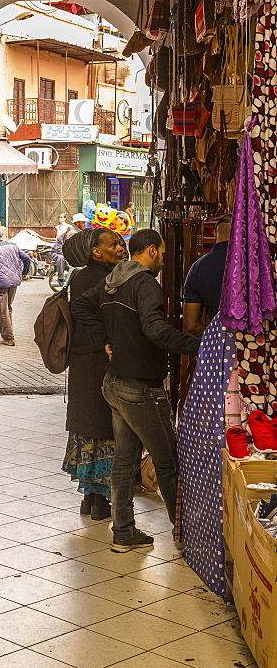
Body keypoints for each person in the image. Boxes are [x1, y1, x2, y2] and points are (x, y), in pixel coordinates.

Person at [71, 228, 200, 553]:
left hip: (114, 383)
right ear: (153, 251)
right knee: (168, 460)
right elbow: (155, 330)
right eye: (163, 253)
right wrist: (201, 347)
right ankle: (185, 537)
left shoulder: (116, 278)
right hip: (139, 387)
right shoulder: (144, 284)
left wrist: (107, 339)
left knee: (125, 461)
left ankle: (124, 531)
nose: (163, 259)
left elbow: (82, 307)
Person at [60, 227, 127, 521]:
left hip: (86, 365)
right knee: (104, 430)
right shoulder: (99, 277)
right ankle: (100, 503)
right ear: (96, 252)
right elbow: (83, 311)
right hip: (97, 365)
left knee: (92, 431)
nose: (121, 247)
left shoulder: (83, 276)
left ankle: (91, 500)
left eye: (121, 242)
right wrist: (107, 340)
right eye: (113, 244)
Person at [183, 214, 231, 334]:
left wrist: (213, 338)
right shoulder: (255, 264)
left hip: (218, 343)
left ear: (215, 233)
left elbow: (192, 325)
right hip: (254, 346)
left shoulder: (197, 268)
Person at [0, 227, 31, 346]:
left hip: (0, 283)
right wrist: (24, 272)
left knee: (2, 310)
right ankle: (8, 333)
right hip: (14, 280)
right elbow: (27, 258)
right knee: (8, 307)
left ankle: (9, 338)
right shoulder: (13, 246)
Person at [51, 212, 86, 286]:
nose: (84, 224)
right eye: (83, 222)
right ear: (77, 223)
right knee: (74, 269)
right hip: (71, 257)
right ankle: (65, 286)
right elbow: (73, 248)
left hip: (76, 256)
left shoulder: (79, 232)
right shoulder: (73, 233)